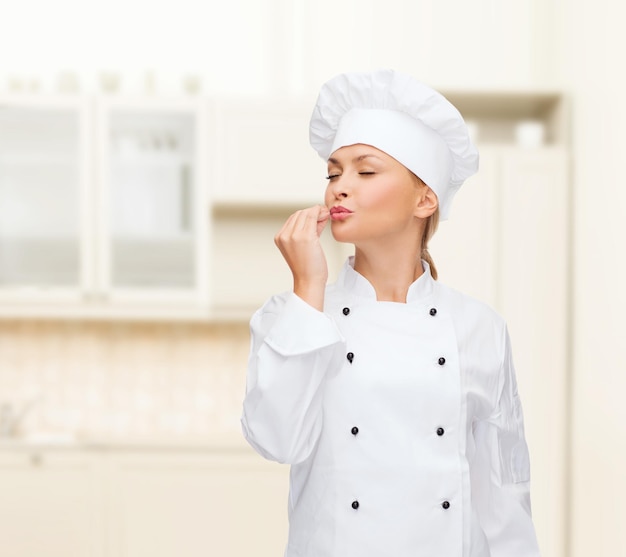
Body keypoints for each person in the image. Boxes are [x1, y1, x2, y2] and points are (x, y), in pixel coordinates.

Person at [241, 69, 541, 557]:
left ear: (425, 199)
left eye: (366, 170)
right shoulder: (295, 313)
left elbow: (505, 495)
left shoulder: (479, 328)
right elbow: (278, 441)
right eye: (334, 172)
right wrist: (307, 287)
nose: (339, 187)